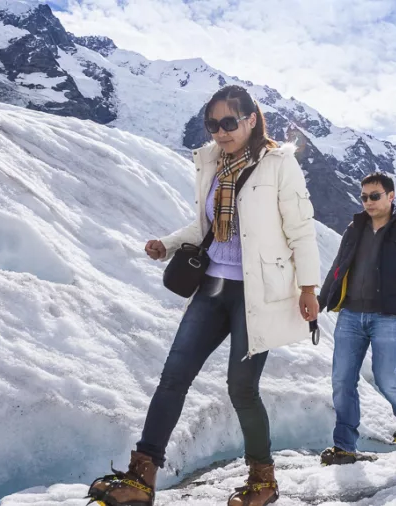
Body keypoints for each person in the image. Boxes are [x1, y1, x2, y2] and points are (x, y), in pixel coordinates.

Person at [86, 85, 321, 506]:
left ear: (251, 119)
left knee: (241, 388)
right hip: (212, 287)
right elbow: (206, 226)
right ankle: (142, 479)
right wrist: (170, 243)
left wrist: (308, 287)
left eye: (228, 122)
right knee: (174, 375)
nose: (220, 132)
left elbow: (300, 229)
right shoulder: (212, 162)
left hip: (258, 295)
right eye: (212, 124)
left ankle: (263, 483)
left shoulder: (279, 163)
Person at [317, 172, 396, 463]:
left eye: (375, 196)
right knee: (342, 380)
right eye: (364, 197)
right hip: (349, 316)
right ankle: (345, 447)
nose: (368, 202)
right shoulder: (354, 228)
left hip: (387, 317)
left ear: (390, 196)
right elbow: (338, 267)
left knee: (387, 378)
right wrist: (320, 302)